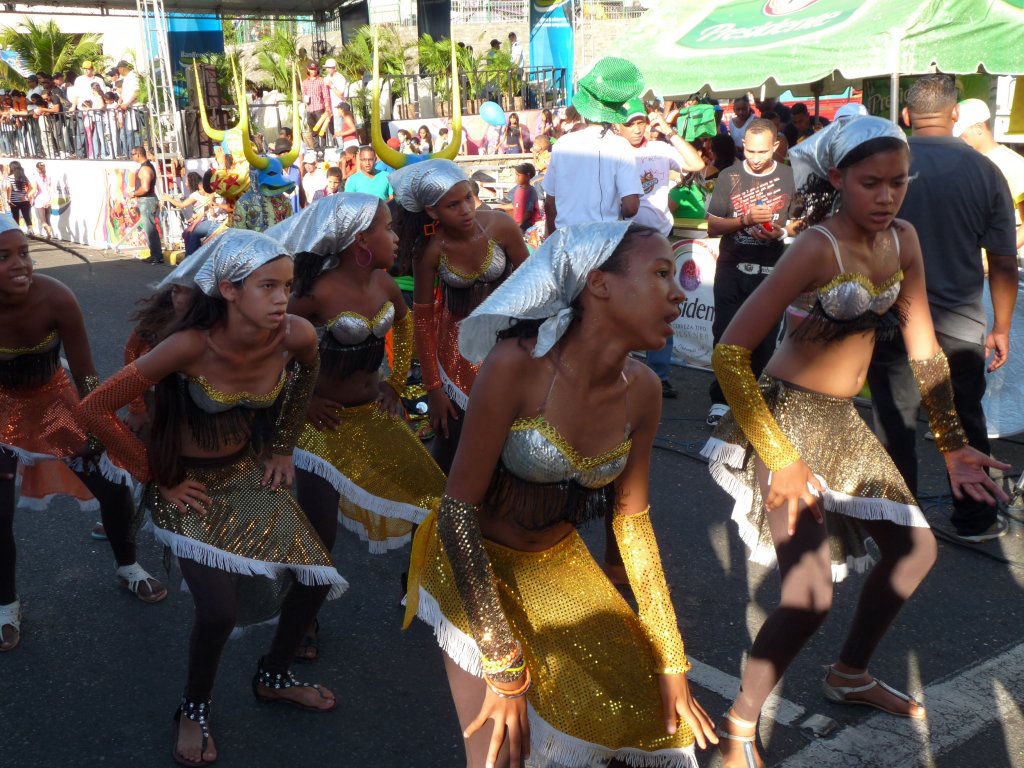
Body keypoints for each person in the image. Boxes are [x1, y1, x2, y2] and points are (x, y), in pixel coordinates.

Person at [703, 115, 1009, 768]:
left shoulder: (903, 240)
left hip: (843, 422)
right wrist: (780, 459)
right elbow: (732, 355)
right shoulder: (817, 247)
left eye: (898, 183)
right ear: (838, 178)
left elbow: (925, 349)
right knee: (809, 592)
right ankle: (739, 723)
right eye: (871, 183)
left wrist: (952, 445)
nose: (887, 196)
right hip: (784, 422)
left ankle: (849, 673)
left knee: (914, 550)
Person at [404, 221, 718, 768]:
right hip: (470, 564)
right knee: (504, 750)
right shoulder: (515, 369)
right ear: (598, 283)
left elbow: (633, 524)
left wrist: (670, 656)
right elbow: (457, 515)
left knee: (644, 720)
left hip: (559, 564)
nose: (678, 292)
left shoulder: (642, 391)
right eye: (661, 273)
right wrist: (502, 665)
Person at [78, 230, 346, 766]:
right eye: (267, 286)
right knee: (218, 609)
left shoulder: (295, 336)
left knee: (316, 577)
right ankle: (193, 708)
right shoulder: (190, 345)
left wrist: (284, 447)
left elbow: (310, 371)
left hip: (247, 474)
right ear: (227, 289)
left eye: (287, 286)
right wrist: (153, 472)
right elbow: (92, 408)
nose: (281, 298)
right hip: (187, 487)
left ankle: (273, 673)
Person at [1, 216, 166, 652]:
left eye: (23, 253)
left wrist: (99, 427)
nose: (20, 265)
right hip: (0, 413)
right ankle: (5, 604)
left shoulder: (57, 297)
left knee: (112, 485)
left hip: (57, 406)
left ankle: (128, 565)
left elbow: (89, 375)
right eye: (3, 257)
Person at [867, 75, 1018, 543]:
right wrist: (1003, 327)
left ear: (907, 116)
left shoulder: (883, 165)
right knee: (965, 419)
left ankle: (898, 528)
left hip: (890, 318)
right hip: (958, 323)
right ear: (955, 115)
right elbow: (1004, 261)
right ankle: (973, 518)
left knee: (896, 424)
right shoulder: (985, 170)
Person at [269, 193, 445, 563]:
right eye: (389, 228)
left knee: (433, 494)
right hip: (322, 424)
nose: (397, 237)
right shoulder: (318, 292)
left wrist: (395, 383)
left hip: (372, 414)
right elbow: (271, 349)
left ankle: (415, 587)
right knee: (321, 534)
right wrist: (304, 399)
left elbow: (406, 325)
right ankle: (300, 616)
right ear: (360, 239)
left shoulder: (385, 285)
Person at [394, 159, 529, 472]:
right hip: (455, 356)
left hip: (506, 345)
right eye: (453, 205)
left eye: (468, 198)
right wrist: (434, 388)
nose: (466, 210)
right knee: (451, 446)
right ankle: (439, 517)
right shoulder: (429, 250)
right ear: (432, 212)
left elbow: (534, 283)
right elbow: (424, 321)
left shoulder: (501, 225)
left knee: (511, 442)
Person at [705, 119, 795, 427]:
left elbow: (800, 222)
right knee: (725, 335)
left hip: (770, 269)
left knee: (765, 340)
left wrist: (780, 230)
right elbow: (713, 225)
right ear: (743, 146)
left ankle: (754, 405)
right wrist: (744, 220)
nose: (755, 159)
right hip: (732, 267)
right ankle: (720, 400)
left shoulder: (787, 176)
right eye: (750, 151)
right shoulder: (730, 175)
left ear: (775, 147)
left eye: (762, 152)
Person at [619, 98, 706, 400]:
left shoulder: (659, 148)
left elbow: (696, 164)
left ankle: (659, 375)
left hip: (659, 239)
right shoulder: (613, 152)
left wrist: (669, 131)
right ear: (619, 124)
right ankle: (621, 371)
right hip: (625, 239)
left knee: (663, 305)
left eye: (640, 122)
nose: (636, 128)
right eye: (630, 122)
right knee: (623, 305)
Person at [542, 57, 644, 235]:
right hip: (603, 242)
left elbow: (550, 203)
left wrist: (551, 241)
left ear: (584, 112)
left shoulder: (562, 144)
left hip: (565, 240)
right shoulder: (620, 146)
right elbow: (631, 207)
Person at [954, 98, 1024, 254]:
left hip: (1006, 264)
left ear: (979, 128)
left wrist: (999, 256)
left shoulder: (1012, 164)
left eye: (960, 133)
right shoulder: (967, 162)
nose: (957, 138)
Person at [130, 145, 164, 264]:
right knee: (149, 228)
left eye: (133, 154)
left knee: (150, 229)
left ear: (138, 154)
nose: (132, 156)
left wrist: (133, 194)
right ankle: (155, 254)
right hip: (147, 200)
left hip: (147, 200)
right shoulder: (146, 167)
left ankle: (157, 256)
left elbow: (145, 188)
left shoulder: (145, 169)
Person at [301, 63, 331, 151]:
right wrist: (304, 99)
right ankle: (316, 147)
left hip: (319, 107)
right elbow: (303, 94)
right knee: (313, 129)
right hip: (309, 108)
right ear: (308, 69)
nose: (313, 71)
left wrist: (327, 105)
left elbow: (325, 94)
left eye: (314, 69)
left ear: (317, 69)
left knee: (322, 128)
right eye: (311, 69)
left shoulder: (321, 80)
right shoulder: (305, 82)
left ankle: (323, 146)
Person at [510, 162, 540, 232]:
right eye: (516, 175)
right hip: (518, 224)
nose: (516, 178)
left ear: (528, 176)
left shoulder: (531, 191)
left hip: (527, 225)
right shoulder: (518, 189)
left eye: (518, 175)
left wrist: (519, 225)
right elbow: (515, 205)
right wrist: (500, 207)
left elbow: (528, 212)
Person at [6, 161, 33, 231]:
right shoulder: (23, 177)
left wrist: (8, 199)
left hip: (14, 201)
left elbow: (9, 188)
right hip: (24, 201)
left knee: (15, 218)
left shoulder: (9, 178)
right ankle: (30, 231)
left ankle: (18, 233)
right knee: (27, 217)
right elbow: (30, 187)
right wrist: (26, 195)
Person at [31, 161, 54, 238]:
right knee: (48, 219)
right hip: (48, 198)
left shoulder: (35, 178)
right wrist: (50, 200)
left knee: (43, 221)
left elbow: (34, 190)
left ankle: (48, 232)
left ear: (37, 169)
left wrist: (28, 196)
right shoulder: (48, 177)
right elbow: (50, 188)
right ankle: (49, 235)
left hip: (39, 199)